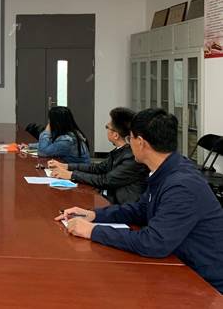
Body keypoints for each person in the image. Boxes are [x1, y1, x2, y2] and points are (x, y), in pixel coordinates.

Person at [57, 108, 223, 294]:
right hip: (177, 267)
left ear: (141, 142)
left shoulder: (182, 185)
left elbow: (154, 242)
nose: (129, 144)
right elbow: (141, 210)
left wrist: (92, 231)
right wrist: (94, 215)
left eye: (130, 139)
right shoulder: (165, 170)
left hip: (204, 285)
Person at [49, 107, 149, 204]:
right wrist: (66, 166)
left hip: (122, 207)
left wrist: (71, 175)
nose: (106, 128)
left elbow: (106, 180)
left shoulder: (132, 157)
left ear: (115, 135)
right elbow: (98, 168)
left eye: (107, 127)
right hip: (111, 199)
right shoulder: (120, 151)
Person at [23, 106, 90, 164]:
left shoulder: (67, 140)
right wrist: (30, 146)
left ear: (56, 122)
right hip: (69, 167)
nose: (49, 122)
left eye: (50, 120)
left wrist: (47, 131)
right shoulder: (68, 132)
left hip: (76, 172)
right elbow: (52, 144)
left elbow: (42, 152)